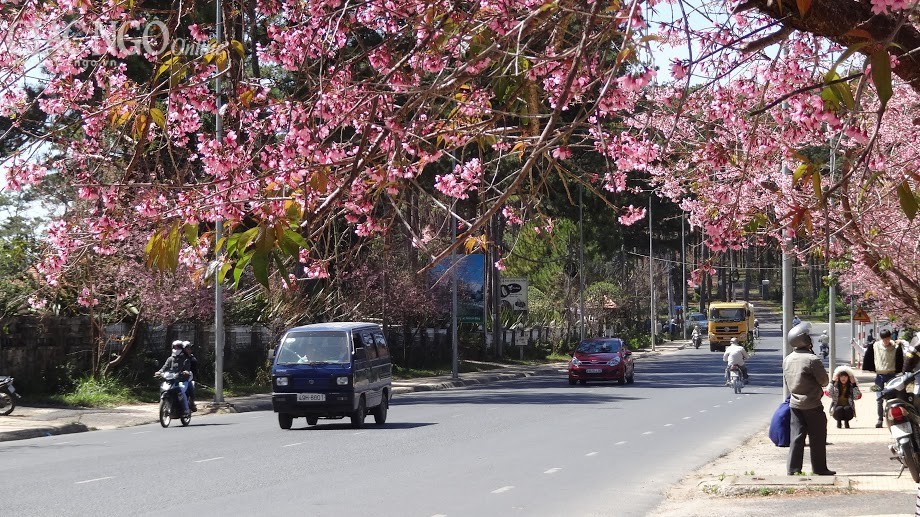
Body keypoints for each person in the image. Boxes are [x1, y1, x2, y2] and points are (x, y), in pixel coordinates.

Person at [783, 321, 834, 476]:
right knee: (817, 437)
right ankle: (819, 469)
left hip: (795, 404)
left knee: (796, 437)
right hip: (812, 404)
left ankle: (793, 469)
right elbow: (824, 381)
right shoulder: (812, 360)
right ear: (805, 340)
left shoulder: (788, 359)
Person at [862, 329, 904, 428]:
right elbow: (867, 355)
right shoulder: (875, 346)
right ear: (881, 338)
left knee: (893, 398)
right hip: (879, 376)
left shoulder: (896, 346)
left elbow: (904, 356)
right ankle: (879, 419)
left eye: (888, 339)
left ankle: (893, 418)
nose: (886, 341)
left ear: (890, 337)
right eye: (884, 339)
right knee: (879, 398)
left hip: (892, 375)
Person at [156, 340, 192, 416]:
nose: (176, 349)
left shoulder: (185, 359)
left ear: (182, 348)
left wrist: (185, 372)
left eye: (178, 347)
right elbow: (164, 367)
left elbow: (187, 368)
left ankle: (186, 409)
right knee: (163, 389)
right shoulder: (170, 359)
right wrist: (159, 372)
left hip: (181, 381)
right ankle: (166, 405)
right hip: (170, 381)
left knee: (181, 391)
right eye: (174, 347)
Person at [182, 341, 199, 412]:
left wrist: (189, 374)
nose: (189, 350)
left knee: (191, 387)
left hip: (188, 379)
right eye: (187, 348)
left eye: (190, 349)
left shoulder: (193, 359)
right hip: (178, 379)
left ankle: (191, 402)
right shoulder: (177, 358)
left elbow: (194, 371)